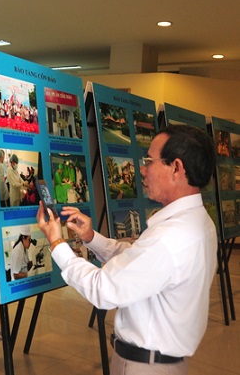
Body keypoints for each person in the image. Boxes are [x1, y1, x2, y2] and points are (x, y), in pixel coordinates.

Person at [37, 125, 217, 375]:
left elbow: (103, 288)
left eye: (149, 161)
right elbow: (137, 260)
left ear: (176, 168)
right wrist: (91, 237)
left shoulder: (171, 237)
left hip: (145, 366)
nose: (142, 170)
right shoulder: (198, 222)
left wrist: (57, 244)